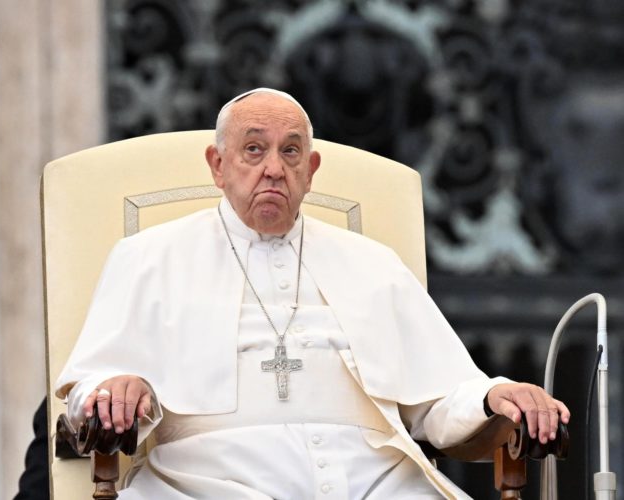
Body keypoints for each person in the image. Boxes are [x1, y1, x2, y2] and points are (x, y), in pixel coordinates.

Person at [55, 88, 569, 499]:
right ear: (217, 164)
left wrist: (494, 394)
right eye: (253, 149)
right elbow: (90, 388)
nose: (274, 168)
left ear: (311, 170)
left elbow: (439, 399)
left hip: (376, 480)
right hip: (205, 481)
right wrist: (113, 389)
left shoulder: (372, 263)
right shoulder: (148, 257)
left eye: (291, 151)